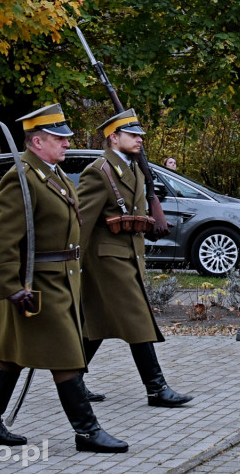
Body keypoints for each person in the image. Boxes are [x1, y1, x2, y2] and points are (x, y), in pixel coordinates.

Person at [0, 103, 127, 453]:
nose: (66, 144)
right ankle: (87, 431)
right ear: (36, 142)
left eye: (66, 138)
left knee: (12, 355)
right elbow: (0, 240)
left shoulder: (51, 175)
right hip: (37, 285)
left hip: (61, 279)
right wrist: (9, 288)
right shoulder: (21, 178)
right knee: (67, 355)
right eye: (59, 138)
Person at [77, 109, 193, 408]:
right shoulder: (98, 171)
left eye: (140, 134)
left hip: (129, 256)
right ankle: (156, 388)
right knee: (138, 318)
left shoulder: (135, 169)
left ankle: (72, 380)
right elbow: (82, 223)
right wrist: (71, 263)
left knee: (96, 325)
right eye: (132, 135)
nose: (140, 139)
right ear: (113, 138)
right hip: (105, 261)